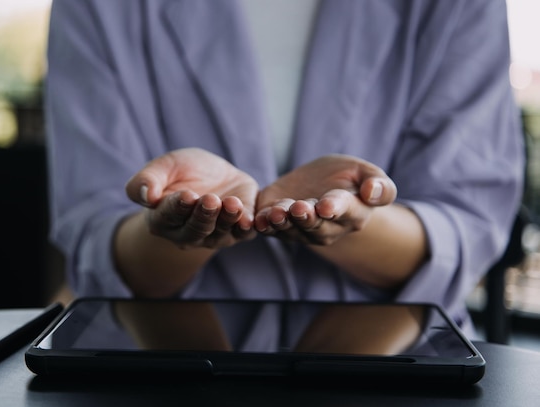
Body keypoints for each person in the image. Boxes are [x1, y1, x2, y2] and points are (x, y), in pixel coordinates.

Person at [45, 0, 524, 336]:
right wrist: (179, 225)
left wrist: (358, 220)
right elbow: (94, 239)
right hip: (162, 366)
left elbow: (467, 222)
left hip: (392, 358)